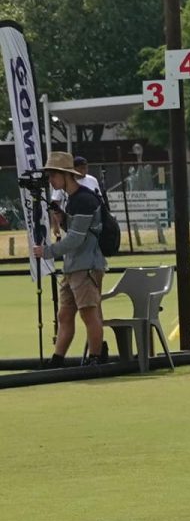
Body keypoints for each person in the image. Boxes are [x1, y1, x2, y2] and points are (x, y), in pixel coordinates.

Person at [32, 152, 108, 366]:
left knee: (88, 314)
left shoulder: (84, 199)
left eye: (52, 176)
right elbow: (74, 231)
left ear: (65, 175)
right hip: (73, 266)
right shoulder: (73, 199)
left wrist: (47, 251)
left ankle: (95, 357)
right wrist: (62, 217)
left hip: (87, 266)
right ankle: (57, 359)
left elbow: (76, 238)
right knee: (65, 315)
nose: (50, 181)